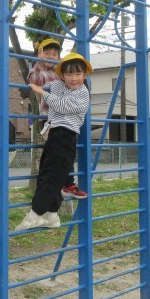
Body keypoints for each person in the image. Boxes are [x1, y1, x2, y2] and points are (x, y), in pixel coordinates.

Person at [16, 52, 92, 231]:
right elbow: (37, 82)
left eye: (78, 74)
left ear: (84, 75)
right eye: (69, 74)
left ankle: (35, 214)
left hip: (66, 136)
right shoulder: (58, 85)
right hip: (54, 134)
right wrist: (40, 64)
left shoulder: (83, 93)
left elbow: (62, 105)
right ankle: (51, 215)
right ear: (62, 75)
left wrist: (43, 93)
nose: (74, 78)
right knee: (46, 172)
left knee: (52, 176)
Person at [28, 39, 86, 200]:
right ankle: (63, 186)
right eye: (46, 53)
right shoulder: (39, 72)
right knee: (58, 154)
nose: (50, 56)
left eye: (54, 54)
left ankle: (65, 185)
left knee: (64, 153)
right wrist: (39, 62)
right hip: (49, 119)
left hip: (66, 119)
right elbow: (34, 80)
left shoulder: (61, 74)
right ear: (39, 55)